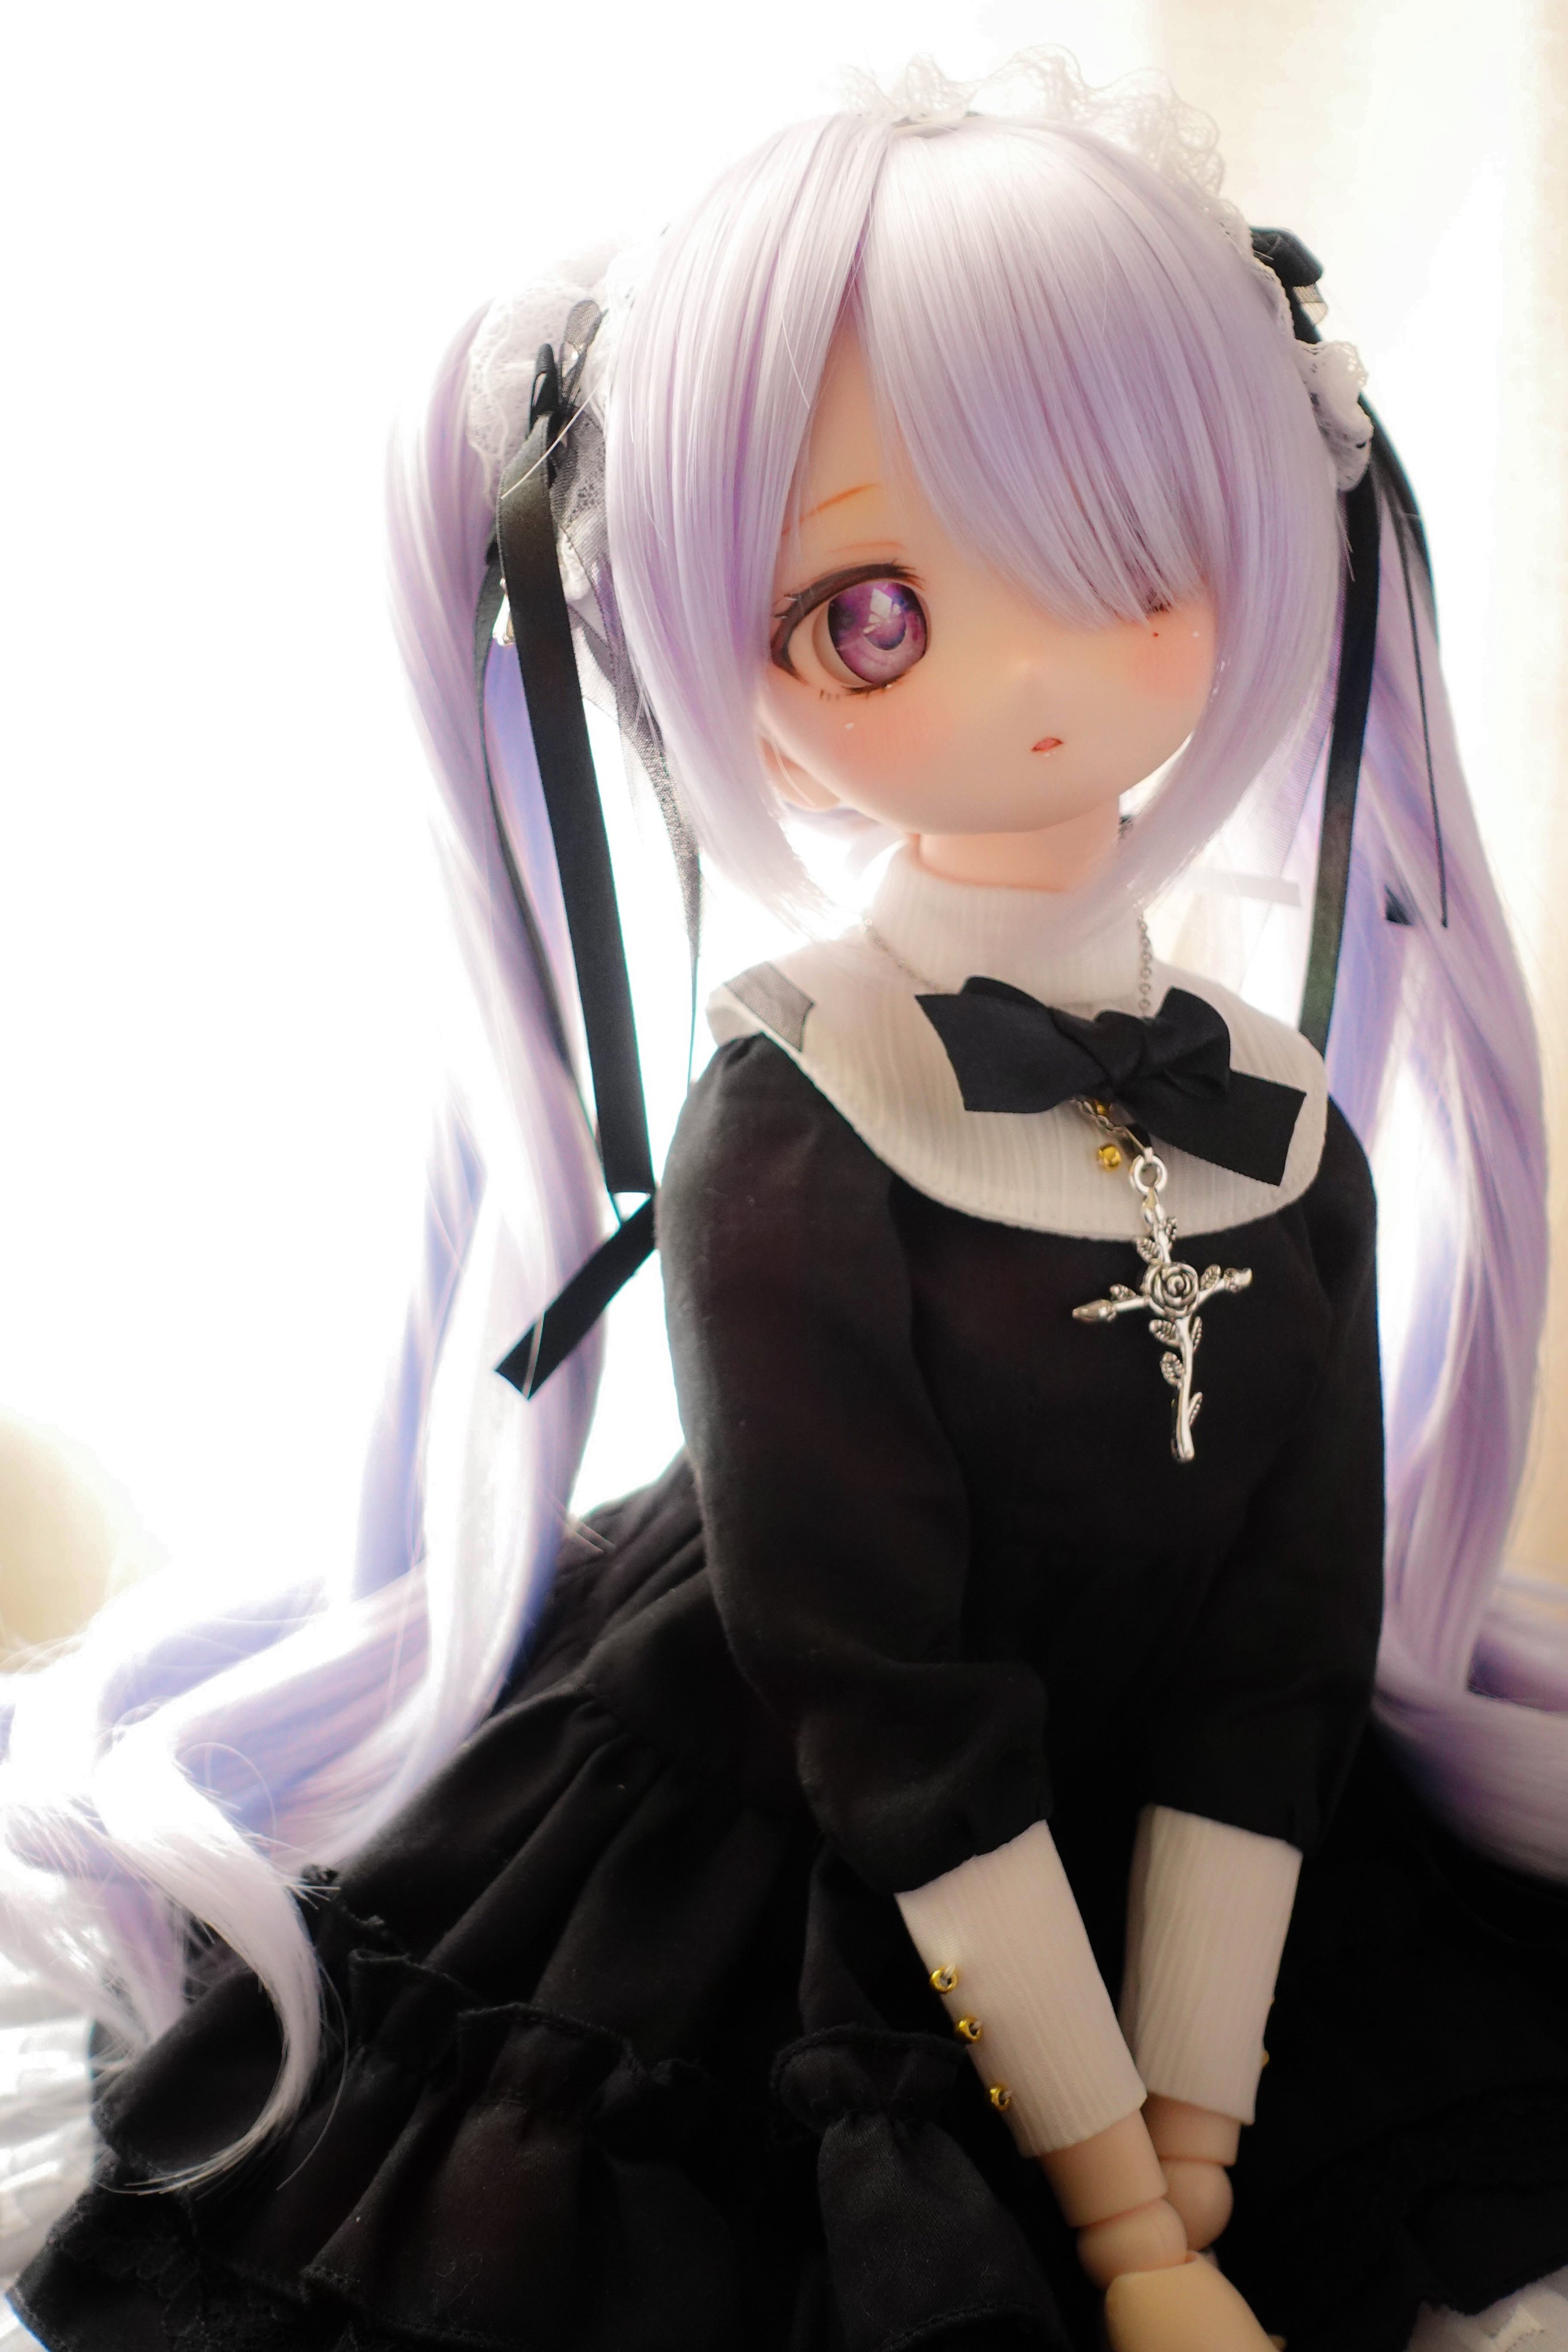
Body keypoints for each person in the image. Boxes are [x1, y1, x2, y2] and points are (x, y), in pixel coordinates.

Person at [7, 49, 1568, 2352]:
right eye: (870, 613)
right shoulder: (800, 1116)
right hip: (806, 1794)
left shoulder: (1276, 1115)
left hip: (1197, 1839)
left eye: (1131, 552)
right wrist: (1117, 2205)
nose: (1028, 675)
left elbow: (1281, 1624)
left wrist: (1195, 2122)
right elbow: (870, 1679)